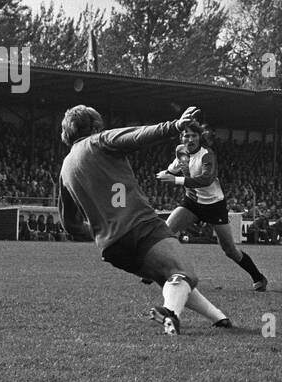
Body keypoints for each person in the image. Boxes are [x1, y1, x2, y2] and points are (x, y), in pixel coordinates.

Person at [58, 104, 231, 335]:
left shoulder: (65, 169)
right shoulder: (99, 141)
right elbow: (138, 135)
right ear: (95, 126)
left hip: (112, 248)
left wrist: (101, 231)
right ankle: (170, 314)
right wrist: (175, 126)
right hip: (140, 225)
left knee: (170, 275)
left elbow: (70, 225)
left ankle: (219, 318)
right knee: (185, 273)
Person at [157, 119, 268, 291]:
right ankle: (157, 272)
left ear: (199, 137)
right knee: (164, 233)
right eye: (186, 135)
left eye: (194, 135)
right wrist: (164, 174)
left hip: (214, 206)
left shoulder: (207, 155)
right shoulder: (180, 151)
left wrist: (176, 180)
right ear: (182, 137)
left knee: (230, 250)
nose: (190, 139)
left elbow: (206, 179)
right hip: (192, 203)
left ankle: (258, 277)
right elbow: (172, 169)